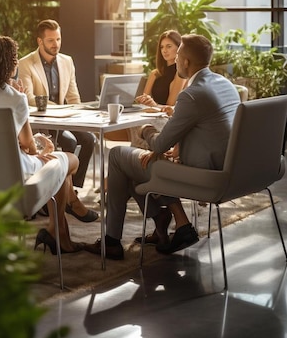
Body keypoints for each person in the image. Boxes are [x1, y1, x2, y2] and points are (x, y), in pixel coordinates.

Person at [84, 34, 241, 260]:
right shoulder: (224, 84)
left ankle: (115, 240)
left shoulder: (192, 94)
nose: (175, 59)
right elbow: (207, 130)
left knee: (118, 156)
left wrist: (144, 127)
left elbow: (158, 143)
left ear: (186, 62)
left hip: (202, 175)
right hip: (224, 168)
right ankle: (169, 223)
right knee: (135, 163)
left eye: (177, 55)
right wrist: (174, 148)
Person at [0, 35, 87, 254]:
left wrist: (30, 146)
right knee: (69, 160)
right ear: (10, 64)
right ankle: (57, 231)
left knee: (56, 166)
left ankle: (59, 232)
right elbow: (29, 146)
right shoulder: (14, 97)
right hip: (17, 180)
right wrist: (40, 147)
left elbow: (4, 140)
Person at [18, 19, 98, 222]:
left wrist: (82, 114)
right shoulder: (26, 63)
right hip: (40, 121)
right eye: (51, 40)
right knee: (69, 142)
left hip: (65, 116)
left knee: (88, 139)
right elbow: (28, 98)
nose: (56, 44)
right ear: (40, 41)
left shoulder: (67, 61)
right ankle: (60, 194)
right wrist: (59, 108)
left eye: (59, 39)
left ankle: (73, 190)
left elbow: (73, 96)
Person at [128, 30, 187, 151]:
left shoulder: (180, 73)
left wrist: (154, 105)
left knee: (140, 124)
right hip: (151, 113)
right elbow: (143, 101)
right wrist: (144, 101)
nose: (164, 50)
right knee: (133, 119)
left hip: (166, 116)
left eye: (169, 46)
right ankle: (138, 152)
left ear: (179, 48)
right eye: (162, 47)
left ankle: (144, 152)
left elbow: (170, 106)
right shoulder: (155, 73)